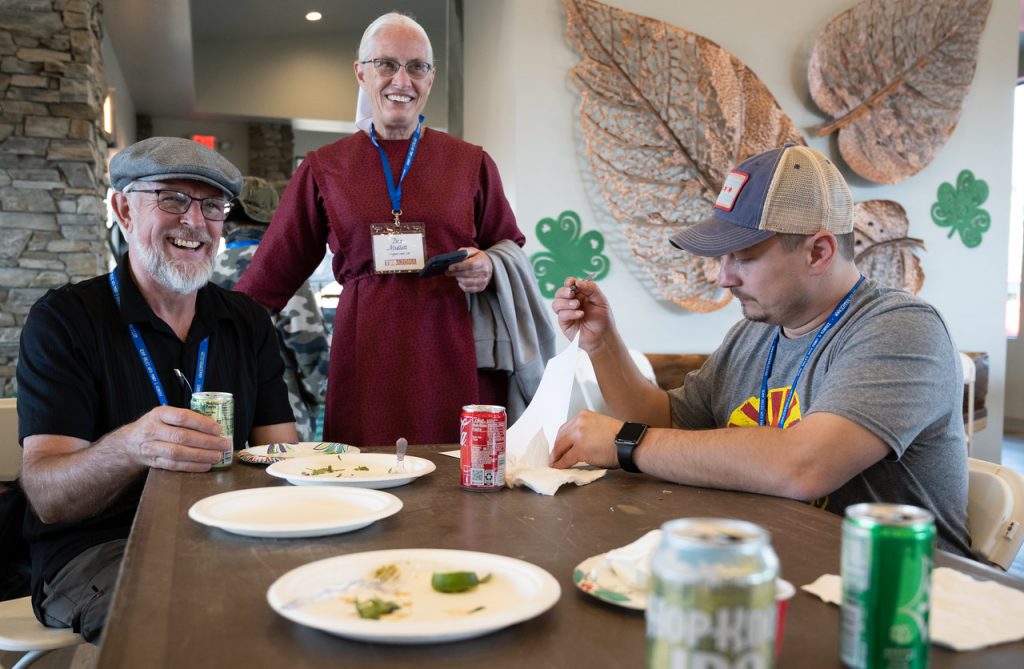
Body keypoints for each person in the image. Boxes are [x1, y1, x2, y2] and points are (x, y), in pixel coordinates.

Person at [550, 144, 974, 558]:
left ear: (818, 252)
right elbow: (666, 423)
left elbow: (804, 467)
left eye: (744, 257)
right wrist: (602, 344)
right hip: (778, 565)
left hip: (904, 585)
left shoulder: (903, 328)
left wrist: (626, 443)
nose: (724, 278)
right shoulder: (752, 334)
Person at [16, 137, 298, 642]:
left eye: (212, 205)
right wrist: (130, 447)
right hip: (101, 548)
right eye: (172, 198)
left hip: (229, 530)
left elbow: (283, 455)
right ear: (123, 209)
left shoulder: (248, 322)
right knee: (188, 626)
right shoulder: (64, 320)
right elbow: (47, 496)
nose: (195, 222)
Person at [236, 12, 554, 447]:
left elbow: (508, 245)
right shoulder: (324, 168)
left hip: (456, 352)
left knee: (460, 481)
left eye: (416, 67)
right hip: (365, 356)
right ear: (360, 73)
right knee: (362, 475)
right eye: (386, 64)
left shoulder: (471, 163)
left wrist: (488, 264)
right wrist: (202, 331)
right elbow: (269, 278)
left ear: (431, 78)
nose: (401, 80)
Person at [211, 176, 330, 441]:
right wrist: (320, 393)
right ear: (273, 220)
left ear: (226, 223)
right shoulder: (281, 270)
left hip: (217, 415)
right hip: (282, 418)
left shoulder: (203, 272)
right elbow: (306, 340)